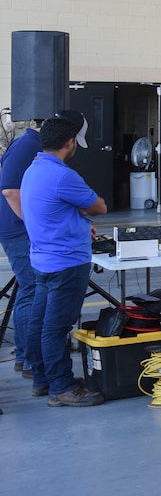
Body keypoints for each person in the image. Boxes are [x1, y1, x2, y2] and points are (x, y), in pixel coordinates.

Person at [20, 116, 108, 406]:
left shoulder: (33, 169)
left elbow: (54, 208)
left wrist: (76, 217)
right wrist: (84, 214)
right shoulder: (63, 175)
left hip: (43, 260)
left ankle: (43, 379)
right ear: (70, 143)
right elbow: (99, 207)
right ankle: (62, 387)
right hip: (66, 263)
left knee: (40, 322)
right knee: (56, 328)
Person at [1, 114, 45, 383]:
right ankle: (29, 358)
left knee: (28, 291)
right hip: (18, 232)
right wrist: (33, 226)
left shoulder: (29, 145)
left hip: (19, 230)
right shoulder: (27, 145)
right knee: (32, 291)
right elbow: (10, 190)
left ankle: (24, 356)